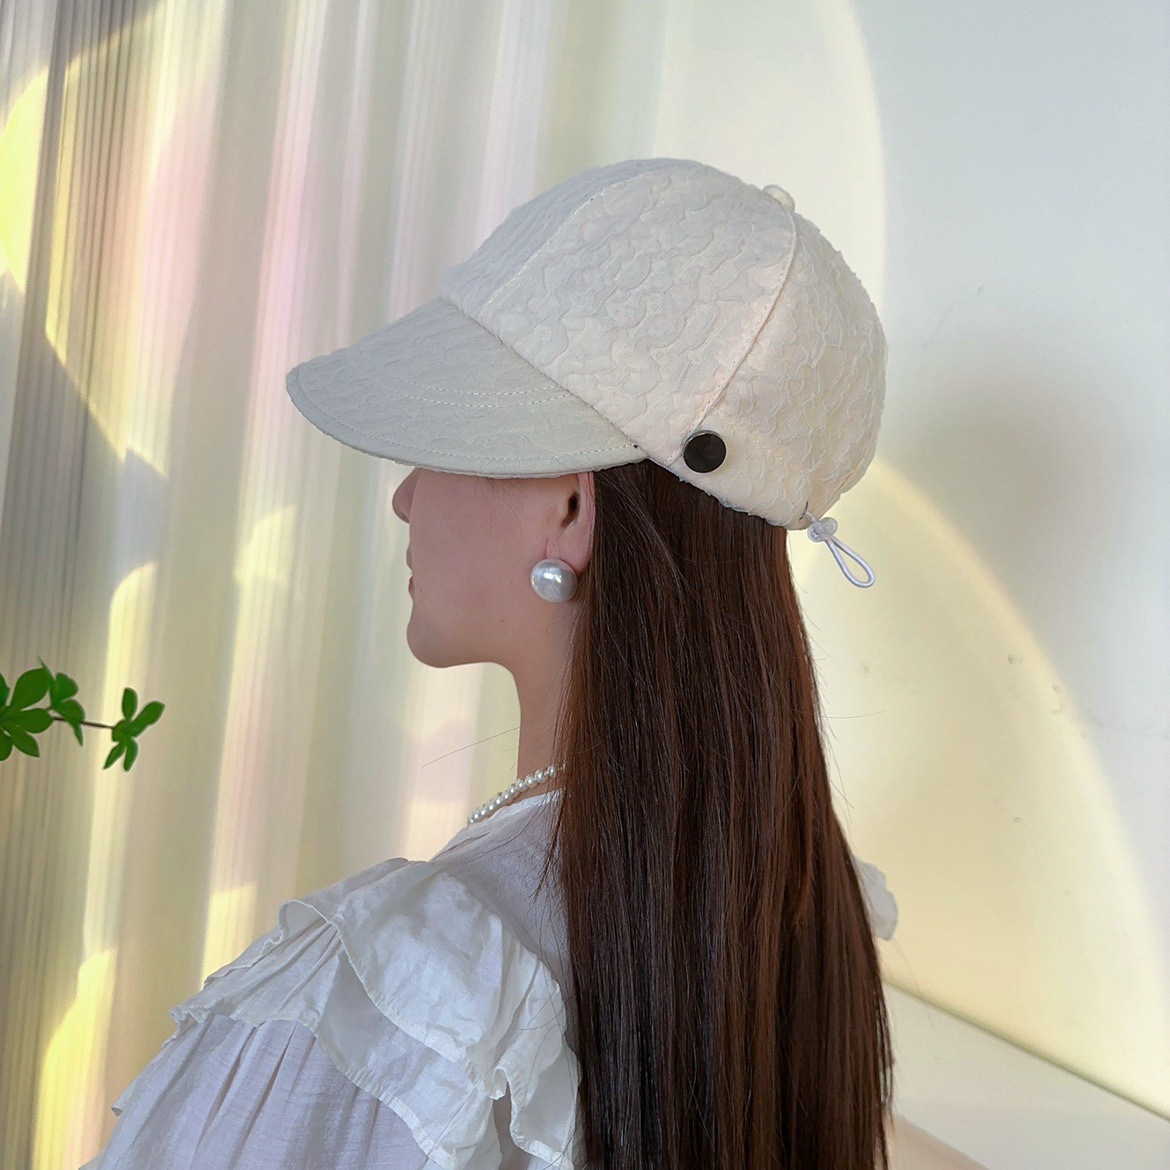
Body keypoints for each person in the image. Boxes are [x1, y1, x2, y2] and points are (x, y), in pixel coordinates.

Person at [84, 157, 909, 1169]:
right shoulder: (799, 907)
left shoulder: (399, 1007)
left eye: (444, 441)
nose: (405, 498)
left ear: (568, 508)